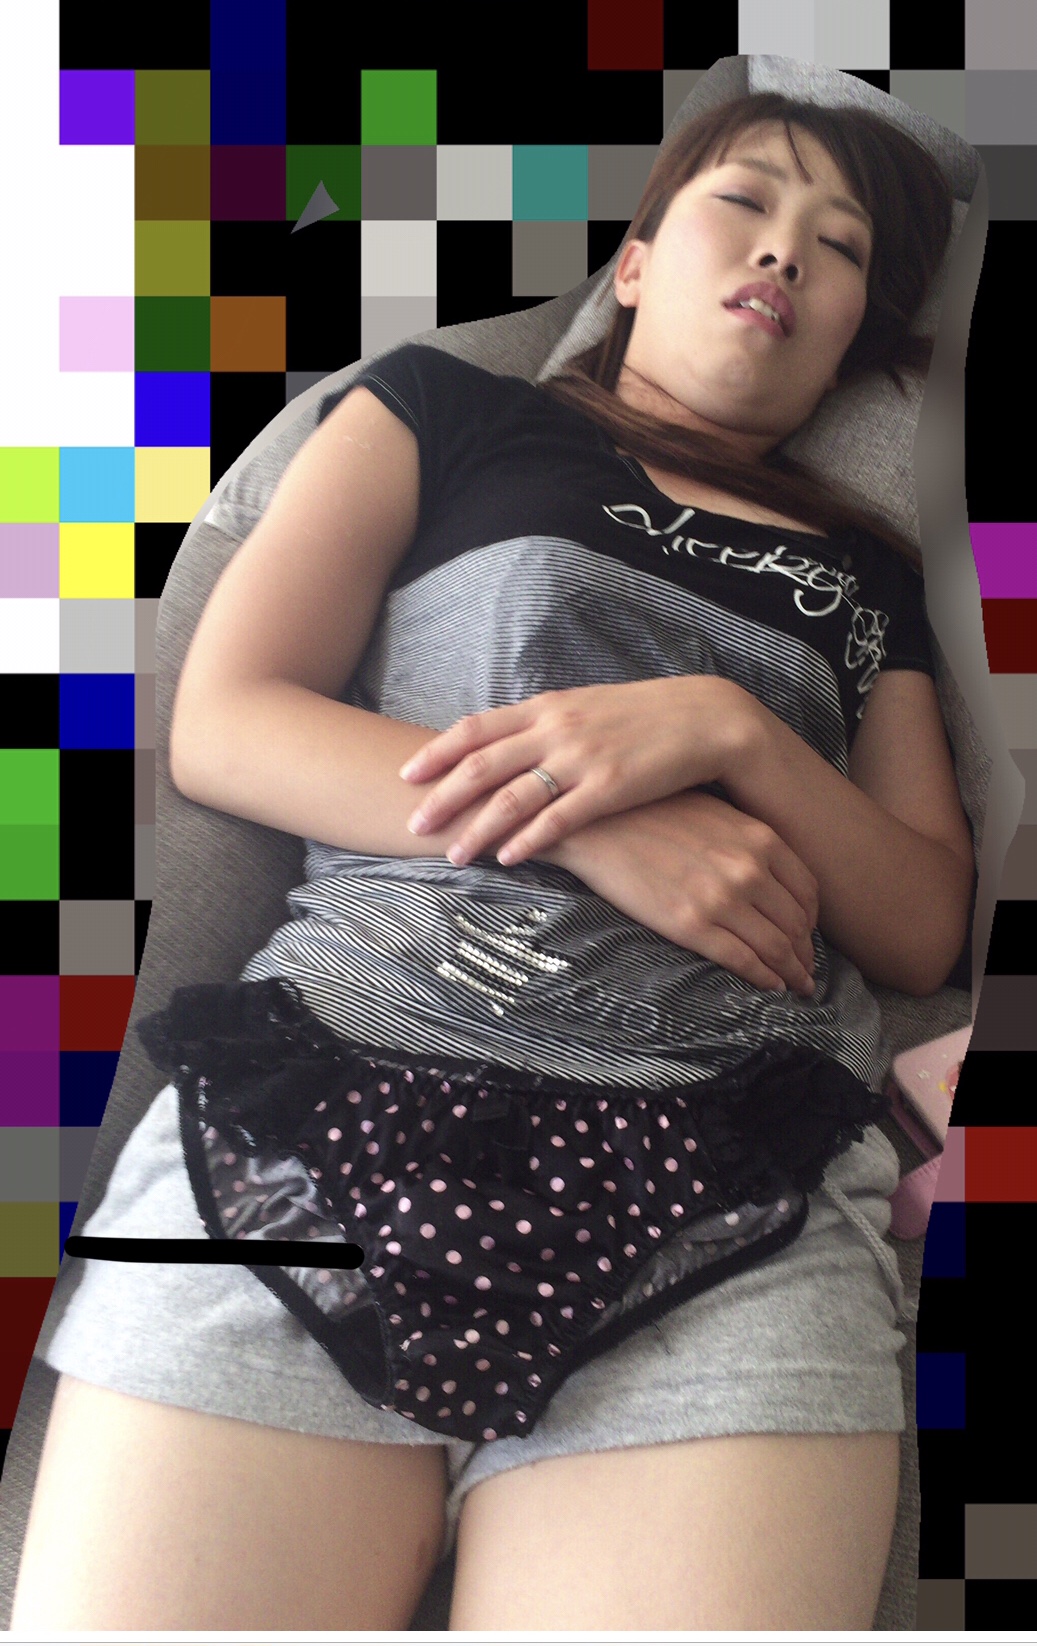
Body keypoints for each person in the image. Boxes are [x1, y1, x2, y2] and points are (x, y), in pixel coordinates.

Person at [11, 91, 976, 1631]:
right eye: (745, 203)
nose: (785, 253)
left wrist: (728, 729)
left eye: (840, 245)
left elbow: (922, 918)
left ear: (856, 329)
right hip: (323, 1105)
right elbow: (230, 720)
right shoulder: (440, 409)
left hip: (728, 1169)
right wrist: (586, 813)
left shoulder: (864, 573)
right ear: (634, 262)